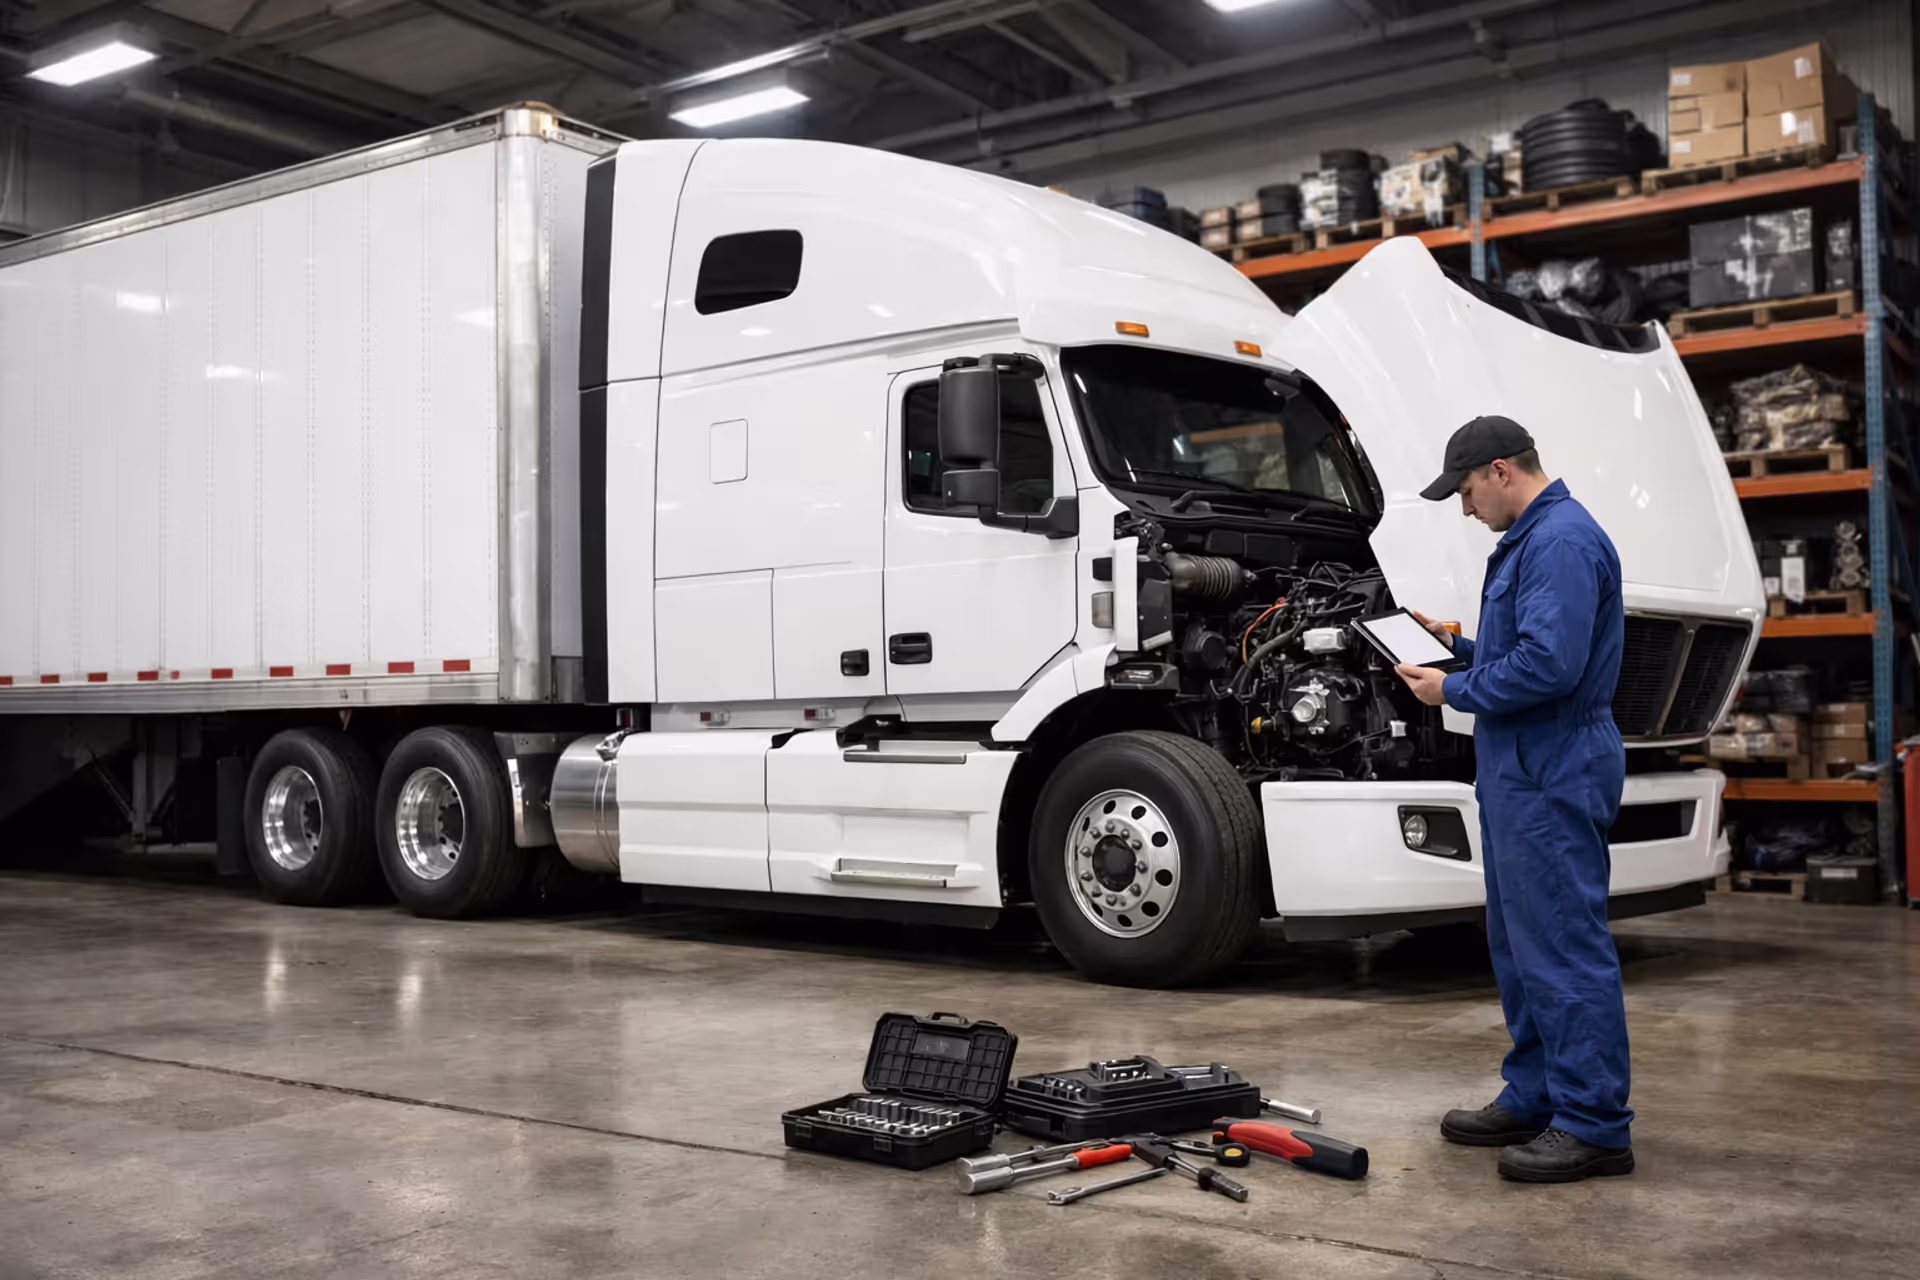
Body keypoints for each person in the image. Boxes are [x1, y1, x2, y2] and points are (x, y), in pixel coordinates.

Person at [1393, 415, 1634, 1184]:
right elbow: (1524, 651)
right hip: (1520, 763)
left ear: (1501, 471)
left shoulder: (1559, 540)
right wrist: (1455, 647)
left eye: (1466, 492)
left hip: (1553, 758)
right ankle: (1537, 1093)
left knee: (1562, 944)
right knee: (1521, 945)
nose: (1466, 510)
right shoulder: (1534, 539)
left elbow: (1551, 667)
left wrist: (1451, 688)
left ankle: (1595, 1125)